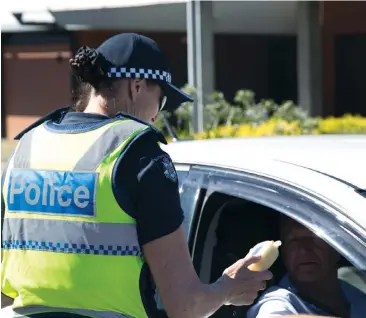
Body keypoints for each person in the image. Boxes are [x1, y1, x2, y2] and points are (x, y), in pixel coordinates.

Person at [1, 33, 273, 318]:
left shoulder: (28, 146)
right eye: (162, 99)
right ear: (137, 86)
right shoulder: (138, 154)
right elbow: (185, 306)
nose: (157, 114)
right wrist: (228, 288)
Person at [247, 215, 366, 318]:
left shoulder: (354, 293)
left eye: (314, 238)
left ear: (337, 247)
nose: (304, 250)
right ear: (283, 252)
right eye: (293, 241)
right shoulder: (277, 300)